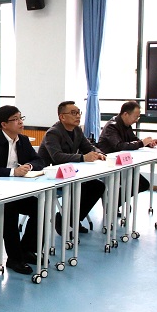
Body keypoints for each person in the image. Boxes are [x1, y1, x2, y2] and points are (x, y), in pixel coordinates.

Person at [0, 106, 46, 275]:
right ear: (4, 124)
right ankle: (14, 258)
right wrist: (13, 172)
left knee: (40, 207)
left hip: (15, 191)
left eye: (21, 118)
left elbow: (39, 160)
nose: (20, 122)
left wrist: (29, 166)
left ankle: (26, 249)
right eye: (15, 119)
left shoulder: (23, 140)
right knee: (10, 209)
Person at [38, 101, 107, 236]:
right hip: (50, 176)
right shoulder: (53, 133)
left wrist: (99, 153)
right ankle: (64, 219)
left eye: (78, 112)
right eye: (73, 113)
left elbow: (89, 147)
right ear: (62, 117)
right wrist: (83, 158)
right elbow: (57, 157)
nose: (78, 116)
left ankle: (71, 219)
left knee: (97, 186)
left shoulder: (77, 130)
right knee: (81, 187)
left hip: (69, 174)